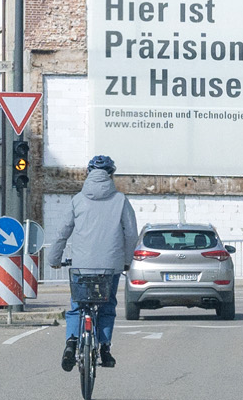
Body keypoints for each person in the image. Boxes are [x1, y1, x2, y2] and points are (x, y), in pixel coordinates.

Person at [47, 154, 140, 373]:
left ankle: (71, 343)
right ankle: (105, 349)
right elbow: (131, 234)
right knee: (107, 307)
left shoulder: (77, 200)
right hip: (110, 267)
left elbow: (62, 233)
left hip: (82, 266)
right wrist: (126, 261)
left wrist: (54, 259)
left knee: (77, 306)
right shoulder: (121, 200)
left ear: (88, 173)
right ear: (111, 175)